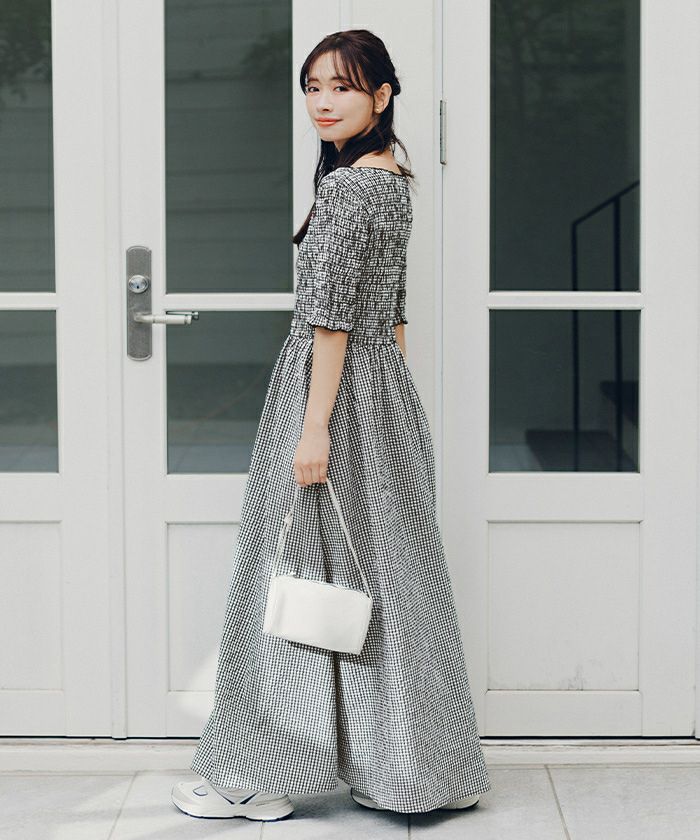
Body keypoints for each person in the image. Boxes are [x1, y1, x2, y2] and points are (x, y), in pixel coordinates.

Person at [171, 28, 491, 823]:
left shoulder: (350, 189)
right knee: (389, 581)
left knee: (287, 574)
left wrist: (314, 428)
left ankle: (255, 775)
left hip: (333, 395)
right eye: (313, 86)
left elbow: (331, 322)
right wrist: (391, 408)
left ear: (381, 95)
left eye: (342, 86)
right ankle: (421, 771)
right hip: (380, 396)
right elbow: (394, 314)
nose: (322, 101)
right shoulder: (393, 180)